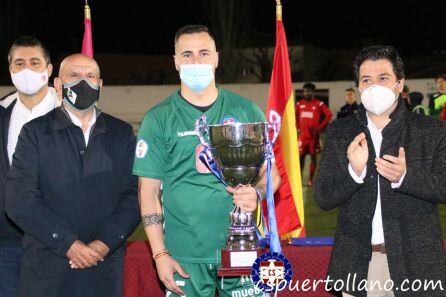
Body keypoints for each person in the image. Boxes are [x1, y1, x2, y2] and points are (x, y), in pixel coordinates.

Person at [133, 24, 280, 297]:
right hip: (184, 254)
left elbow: (270, 175)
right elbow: (148, 193)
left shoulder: (246, 110)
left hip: (242, 249)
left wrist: (257, 192)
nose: (196, 61)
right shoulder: (159, 118)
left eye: (203, 53)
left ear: (216, 58)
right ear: (175, 62)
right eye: (187, 55)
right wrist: (160, 253)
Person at [314, 45, 446, 297]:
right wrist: (353, 173)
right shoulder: (341, 132)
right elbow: (323, 197)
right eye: (366, 80)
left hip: (417, 265)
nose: (374, 86)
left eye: (383, 78)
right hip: (358, 264)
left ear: (400, 83)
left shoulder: (432, 131)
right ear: (358, 87)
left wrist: (407, 177)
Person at [5, 54, 140, 297]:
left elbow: (134, 197)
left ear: (100, 85)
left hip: (103, 270)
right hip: (46, 273)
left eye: (90, 77)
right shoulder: (35, 134)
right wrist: (68, 244)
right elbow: (20, 201)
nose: (83, 83)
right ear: (58, 84)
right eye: (74, 76)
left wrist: (102, 245)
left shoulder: (121, 134)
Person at [0, 36, 60, 297]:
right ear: (10, 68)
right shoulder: (2, 112)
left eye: (35, 62)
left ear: (48, 69)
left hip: (59, 240)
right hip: (7, 242)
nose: (27, 69)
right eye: (19, 63)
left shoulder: (71, 112)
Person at [295, 82, 332, 186]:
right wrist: (297, 127)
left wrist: (319, 128)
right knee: (300, 158)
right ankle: (299, 179)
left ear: (313, 92)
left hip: (313, 137)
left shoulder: (318, 104)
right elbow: (294, 116)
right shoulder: (299, 104)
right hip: (302, 137)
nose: (306, 93)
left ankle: (311, 180)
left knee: (313, 158)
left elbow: (329, 114)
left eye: (308, 91)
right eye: (304, 91)